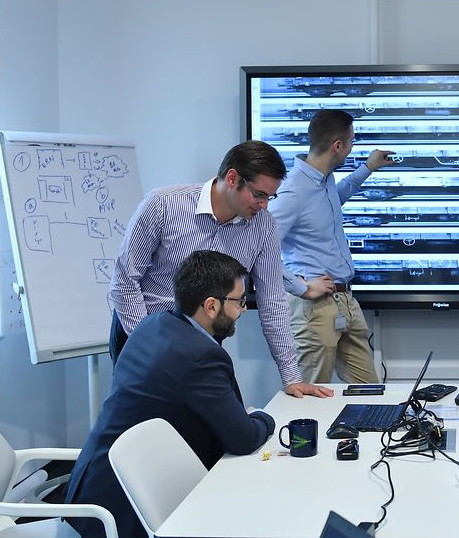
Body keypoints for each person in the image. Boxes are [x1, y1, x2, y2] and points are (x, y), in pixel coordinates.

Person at [67, 250, 278, 538]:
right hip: (121, 512)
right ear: (211, 306)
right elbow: (243, 438)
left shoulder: (153, 324)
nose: (242, 309)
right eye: (239, 301)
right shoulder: (200, 356)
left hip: (92, 486)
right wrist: (264, 417)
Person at [108, 140, 331, 398]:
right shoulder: (163, 205)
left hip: (204, 340)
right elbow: (124, 282)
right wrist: (150, 345)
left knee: (215, 429)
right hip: (143, 333)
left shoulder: (263, 226)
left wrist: (292, 377)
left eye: (270, 197)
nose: (264, 205)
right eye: (259, 195)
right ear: (233, 178)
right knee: (147, 427)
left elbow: (273, 303)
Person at [269, 109, 394, 383]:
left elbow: (332, 203)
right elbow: (258, 250)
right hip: (315, 309)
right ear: (338, 146)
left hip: (344, 302)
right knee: (311, 399)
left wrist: (368, 168)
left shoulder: (324, 181)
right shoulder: (292, 191)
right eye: (351, 142)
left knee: (369, 391)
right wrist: (300, 286)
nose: (351, 148)